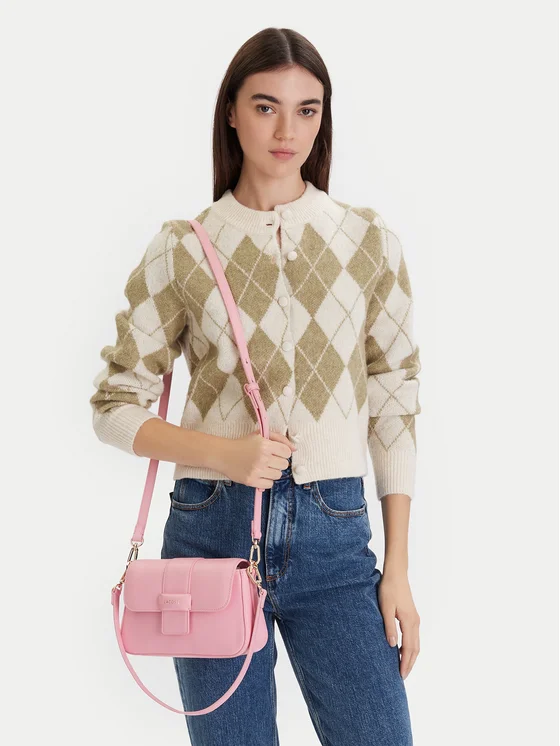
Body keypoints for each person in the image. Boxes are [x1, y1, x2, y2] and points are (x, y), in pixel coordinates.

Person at [90, 26, 421, 746]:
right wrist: (225, 454)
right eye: (266, 106)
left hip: (338, 541)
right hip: (210, 532)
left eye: (307, 110)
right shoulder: (183, 247)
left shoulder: (368, 242)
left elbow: (394, 398)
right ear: (232, 114)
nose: (286, 130)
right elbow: (114, 405)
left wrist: (397, 568)